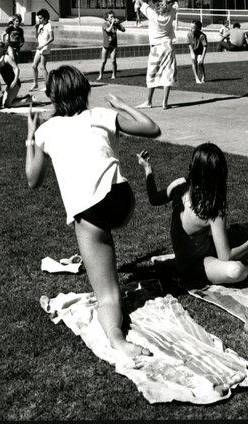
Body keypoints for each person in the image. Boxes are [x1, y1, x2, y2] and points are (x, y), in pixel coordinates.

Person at [26, 65, 161, 363]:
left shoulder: (46, 131)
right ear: (84, 91)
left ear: (53, 98)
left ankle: (117, 340)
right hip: (123, 201)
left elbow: (32, 180)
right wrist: (123, 106)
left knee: (109, 296)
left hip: (91, 213)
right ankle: (105, 239)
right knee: (103, 229)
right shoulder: (99, 114)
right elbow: (152, 129)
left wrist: (30, 135)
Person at [138, 143, 248, 288]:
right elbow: (225, 257)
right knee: (236, 270)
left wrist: (147, 169)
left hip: (201, 250)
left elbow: (154, 198)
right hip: (195, 266)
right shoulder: (214, 206)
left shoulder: (180, 185)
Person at [133, 0, 179, 109]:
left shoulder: (152, 14)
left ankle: (148, 101)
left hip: (156, 48)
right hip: (168, 46)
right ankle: (165, 102)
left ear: (154, 3)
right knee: (168, 73)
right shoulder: (172, 12)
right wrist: (165, 0)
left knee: (152, 74)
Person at [96, 11, 125, 82]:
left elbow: (123, 30)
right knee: (103, 61)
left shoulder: (115, 24)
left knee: (113, 61)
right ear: (107, 18)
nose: (113, 18)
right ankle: (100, 75)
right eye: (111, 17)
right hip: (106, 45)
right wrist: (112, 23)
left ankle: (114, 74)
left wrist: (118, 23)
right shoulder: (104, 24)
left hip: (113, 45)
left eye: (113, 16)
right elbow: (108, 30)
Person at [30, 9, 54, 91]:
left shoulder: (49, 26)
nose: (39, 20)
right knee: (34, 66)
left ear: (46, 18)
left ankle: (48, 86)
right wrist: (35, 29)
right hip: (39, 48)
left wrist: (43, 46)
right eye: (38, 18)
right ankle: (35, 83)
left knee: (42, 67)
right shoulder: (40, 25)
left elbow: (52, 38)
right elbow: (37, 37)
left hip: (45, 48)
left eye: (40, 18)